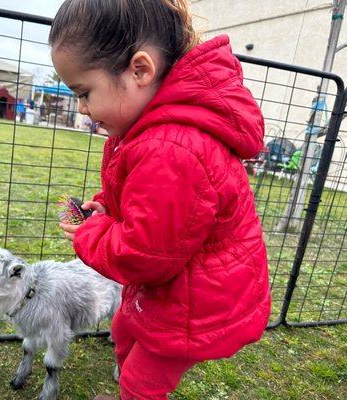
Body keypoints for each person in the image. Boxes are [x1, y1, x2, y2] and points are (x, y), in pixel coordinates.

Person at [49, 1, 271, 399]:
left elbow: (143, 254)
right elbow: (146, 204)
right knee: (123, 331)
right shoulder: (155, 130)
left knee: (143, 380)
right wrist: (108, 209)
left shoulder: (171, 148)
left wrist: (90, 233)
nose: (82, 109)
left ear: (140, 70)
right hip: (175, 286)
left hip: (195, 304)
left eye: (84, 93)